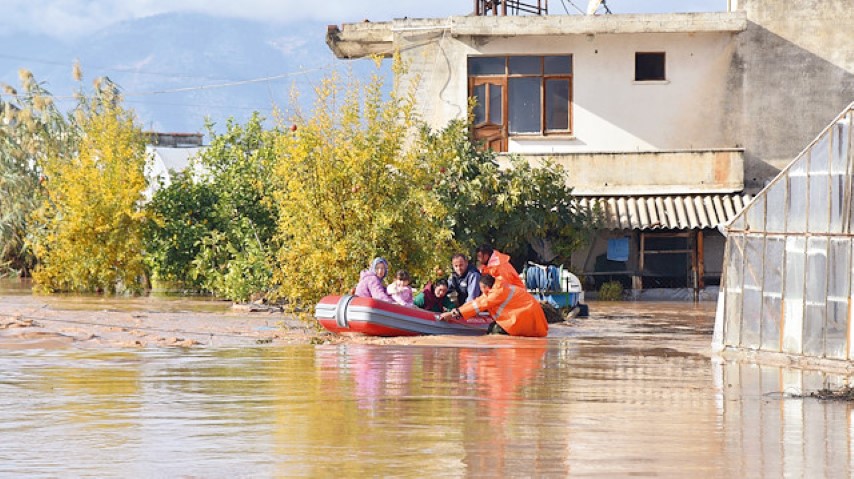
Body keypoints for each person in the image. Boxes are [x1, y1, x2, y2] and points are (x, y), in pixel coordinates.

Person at [440, 274, 548, 337]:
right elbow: (478, 301)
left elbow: (480, 305)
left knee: (496, 332)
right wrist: (458, 311)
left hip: (524, 316)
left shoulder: (496, 293)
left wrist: (454, 313)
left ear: (486, 287)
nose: (481, 291)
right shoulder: (498, 288)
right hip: (529, 314)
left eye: (481, 288)